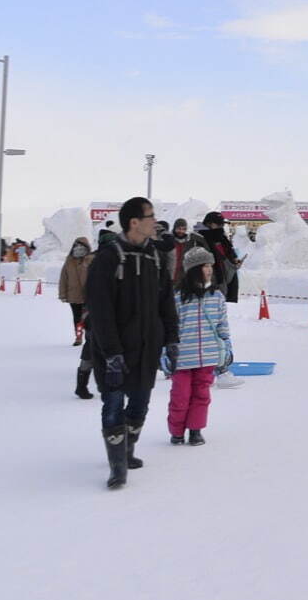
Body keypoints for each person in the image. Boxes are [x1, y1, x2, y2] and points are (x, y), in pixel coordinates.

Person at [83, 196, 179, 490]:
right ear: (134, 222)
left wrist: (172, 340)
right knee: (113, 403)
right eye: (150, 216)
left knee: (140, 403)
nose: (155, 221)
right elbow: (100, 310)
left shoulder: (154, 257)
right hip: (114, 349)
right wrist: (111, 352)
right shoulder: (109, 258)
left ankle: (128, 450)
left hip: (147, 346)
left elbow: (166, 301)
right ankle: (117, 465)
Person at [162, 247, 232, 446]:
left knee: (202, 395)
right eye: (204, 266)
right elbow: (169, 327)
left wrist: (227, 345)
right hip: (183, 357)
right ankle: (176, 431)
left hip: (208, 356)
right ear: (193, 269)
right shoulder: (177, 298)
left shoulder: (216, 297)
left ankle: (195, 430)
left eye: (210, 265)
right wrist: (166, 351)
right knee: (180, 396)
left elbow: (222, 325)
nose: (209, 269)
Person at [196, 211, 245, 388]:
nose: (222, 227)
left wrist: (235, 263)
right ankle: (219, 371)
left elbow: (226, 263)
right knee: (212, 331)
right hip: (205, 291)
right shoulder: (200, 240)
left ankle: (220, 370)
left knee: (219, 330)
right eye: (219, 224)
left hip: (219, 291)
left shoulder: (221, 240)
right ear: (210, 224)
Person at [58, 237, 94, 346]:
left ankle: (90, 337)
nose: (79, 249)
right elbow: (64, 278)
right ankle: (78, 337)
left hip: (89, 295)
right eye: (77, 246)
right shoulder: (69, 260)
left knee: (89, 318)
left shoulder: (91, 259)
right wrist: (62, 294)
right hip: (73, 295)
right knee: (77, 318)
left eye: (81, 247)